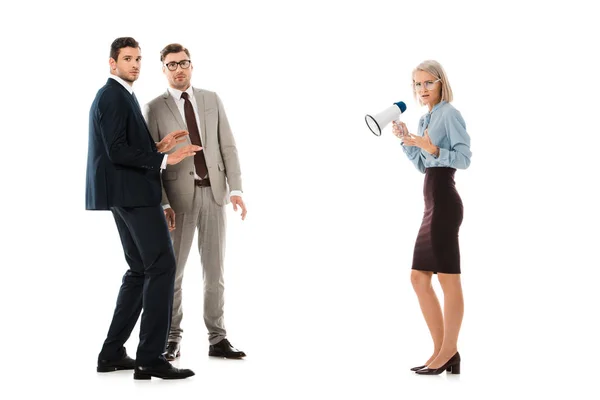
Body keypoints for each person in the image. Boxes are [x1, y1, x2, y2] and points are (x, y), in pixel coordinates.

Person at [86, 37, 200, 380]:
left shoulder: (123, 94)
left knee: (139, 271)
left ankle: (111, 353)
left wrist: (156, 145)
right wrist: (165, 157)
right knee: (162, 266)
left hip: (126, 193)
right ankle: (150, 358)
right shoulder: (111, 95)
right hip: (133, 194)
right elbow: (116, 151)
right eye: (127, 59)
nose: (135, 64)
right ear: (112, 63)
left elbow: (123, 145)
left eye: (138, 58)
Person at [143, 43, 247, 360]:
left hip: (214, 194)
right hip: (177, 201)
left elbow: (227, 145)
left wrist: (236, 188)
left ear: (191, 65)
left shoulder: (210, 99)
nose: (179, 69)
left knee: (214, 272)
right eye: (172, 65)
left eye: (183, 63)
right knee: (173, 273)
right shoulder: (154, 108)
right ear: (163, 69)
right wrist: (162, 203)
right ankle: (170, 337)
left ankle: (218, 339)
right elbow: (151, 161)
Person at [392, 60, 472, 375]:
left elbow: (464, 158)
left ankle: (448, 351)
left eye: (427, 83)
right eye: (417, 84)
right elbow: (423, 166)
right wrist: (407, 140)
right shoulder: (428, 117)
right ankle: (442, 351)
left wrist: (432, 148)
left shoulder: (450, 114)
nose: (422, 89)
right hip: (431, 202)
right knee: (419, 278)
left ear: (441, 82)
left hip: (445, 202)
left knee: (448, 279)